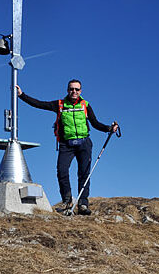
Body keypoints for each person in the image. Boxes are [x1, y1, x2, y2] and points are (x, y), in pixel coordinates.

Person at [15, 79, 119, 215]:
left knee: (84, 174)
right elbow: (40, 104)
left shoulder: (85, 105)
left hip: (84, 143)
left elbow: (95, 123)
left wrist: (109, 128)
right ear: (67, 90)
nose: (74, 91)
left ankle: (82, 204)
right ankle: (67, 201)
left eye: (76, 89)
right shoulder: (59, 104)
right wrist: (22, 95)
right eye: (71, 89)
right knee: (62, 171)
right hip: (66, 144)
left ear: (80, 91)